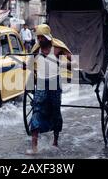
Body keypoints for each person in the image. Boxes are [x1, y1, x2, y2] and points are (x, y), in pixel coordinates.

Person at [25, 24, 73, 154]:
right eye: (38, 37)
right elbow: (29, 63)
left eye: (41, 38)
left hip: (54, 82)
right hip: (41, 82)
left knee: (55, 110)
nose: (39, 40)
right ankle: (34, 147)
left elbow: (73, 62)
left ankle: (55, 141)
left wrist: (63, 64)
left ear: (47, 37)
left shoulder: (58, 47)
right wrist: (26, 65)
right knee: (37, 109)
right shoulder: (37, 48)